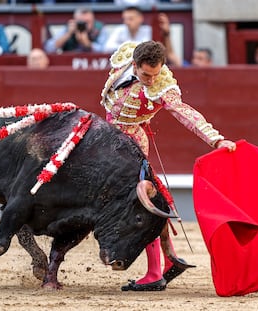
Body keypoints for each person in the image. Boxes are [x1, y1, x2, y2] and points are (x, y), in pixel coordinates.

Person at [100, 40, 236, 291]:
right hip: (107, 134)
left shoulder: (163, 87)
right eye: (145, 75)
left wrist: (215, 139)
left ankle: (154, 273)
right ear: (134, 64)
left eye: (156, 74)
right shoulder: (126, 57)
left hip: (130, 143)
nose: (152, 80)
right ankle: (168, 260)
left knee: (141, 203)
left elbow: (186, 113)